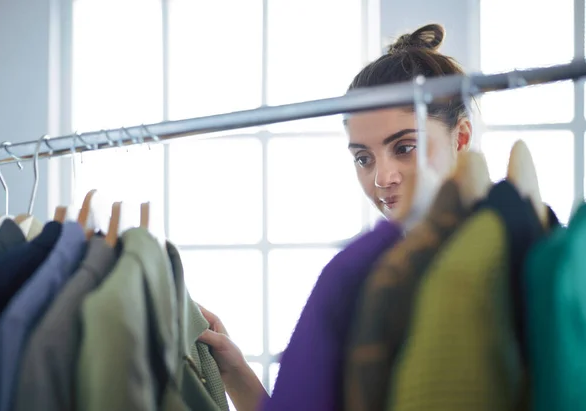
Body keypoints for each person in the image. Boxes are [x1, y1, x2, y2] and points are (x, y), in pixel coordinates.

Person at [197, 23, 473, 411]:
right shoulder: (367, 274)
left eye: (405, 147)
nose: (381, 178)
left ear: (460, 137)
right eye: (363, 158)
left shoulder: (504, 261)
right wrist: (235, 372)